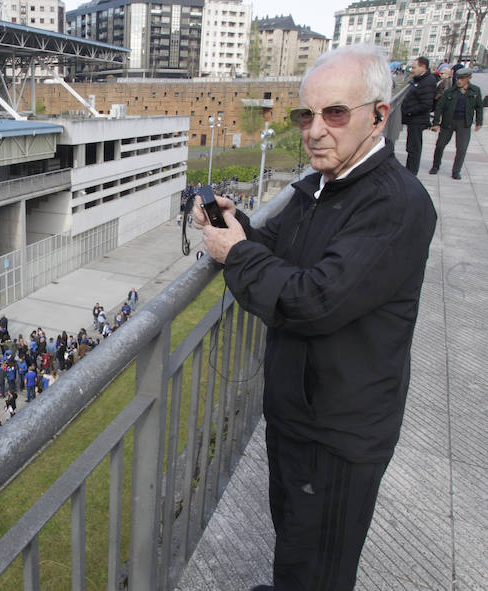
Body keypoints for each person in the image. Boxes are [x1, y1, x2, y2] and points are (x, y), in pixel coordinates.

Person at [195, 44, 436, 591]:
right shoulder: (322, 187)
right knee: (296, 539)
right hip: (302, 414)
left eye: (335, 113)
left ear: (378, 115)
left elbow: (311, 299)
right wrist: (236, 227)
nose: (315, 130)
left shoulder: (395, 204)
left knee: (320, 565)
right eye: (307, 114)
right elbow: (274, 253)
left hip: (339, 433)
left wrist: (236, 253)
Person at [429, 67, 483, 179]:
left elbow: (479, 107)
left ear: (468, 78)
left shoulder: (475, 91)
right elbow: (439, 106)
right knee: (440, 145)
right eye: (458, 78)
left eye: (462, 79)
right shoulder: (450, 91)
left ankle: (456, 171)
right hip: (449, 121)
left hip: (464, 123)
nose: (459, 81)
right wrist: (436, 122)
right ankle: (435, 166)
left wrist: (479, 122)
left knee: (462, 148)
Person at [400, 56, 436, 174]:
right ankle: (410, 171)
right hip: (413, 120)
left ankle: (411, 173)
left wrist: (409, 111)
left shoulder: (427, 82)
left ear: (423, 67)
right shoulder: (420, 79)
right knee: (411, 147)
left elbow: (426, 104)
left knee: (414, 148)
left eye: (414, 67)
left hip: (417, 120)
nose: (412, 70)